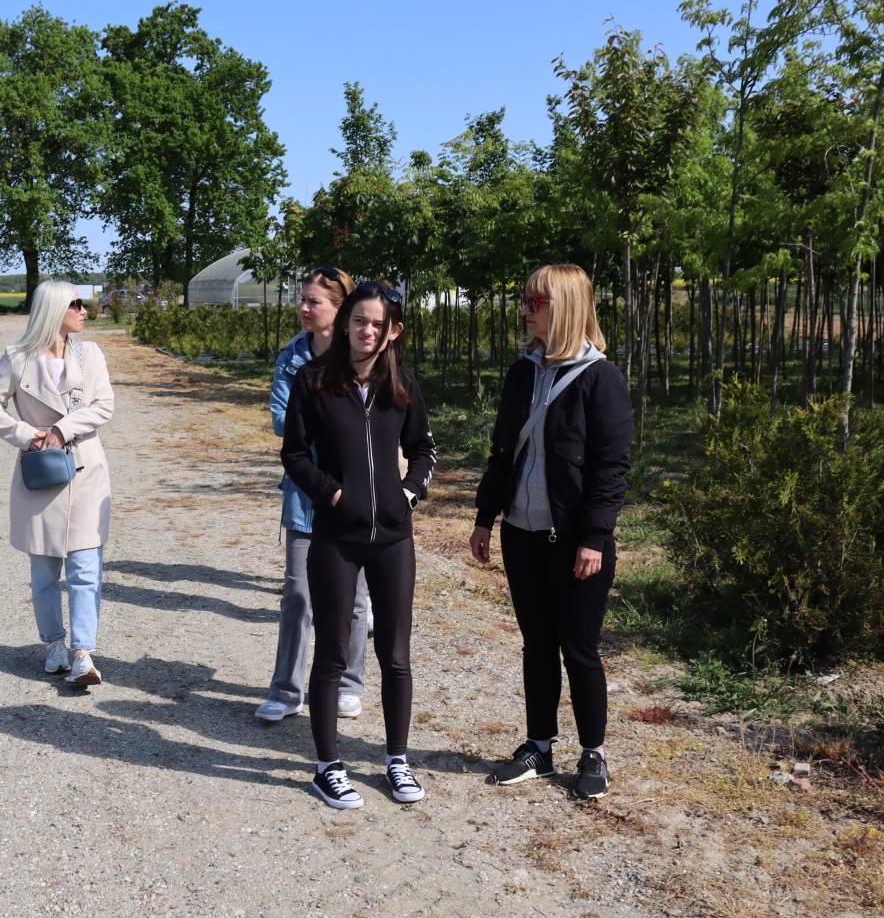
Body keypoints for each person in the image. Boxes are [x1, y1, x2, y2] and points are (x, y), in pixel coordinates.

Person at [468, 263, 631, 800]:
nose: (525, 309)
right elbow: (502, 452)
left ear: (564, 308)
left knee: (579, 650)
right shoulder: (523, 373)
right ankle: (539, 747)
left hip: (577, 542)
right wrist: (485, 517)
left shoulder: (602, 380)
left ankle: (594, 753)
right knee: (536, 645)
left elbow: (611, 470)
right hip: (522, 533)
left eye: (534, 302)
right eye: (525, 300)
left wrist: (594, 537)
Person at [281, 280, 437, 809]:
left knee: (395, 654)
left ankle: (397, 760)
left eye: (378, 323)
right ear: (346, 322)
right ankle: (327, 767)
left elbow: (423, 449)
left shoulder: (403, 385)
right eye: (359, 320)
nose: (367, 331)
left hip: (393, 538)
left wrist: (408, 493)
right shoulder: (314, 381)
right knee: (331, 654)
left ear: (393, 331)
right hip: (337, 537)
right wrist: (331, 494)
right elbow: (294, 454)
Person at [0, 280, 115, 686]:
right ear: (55, 310)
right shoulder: (16, 358)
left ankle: (83, 653)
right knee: (44, 572)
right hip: (40, 474)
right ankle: (54, 644)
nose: (84, 310)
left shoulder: (91, 355)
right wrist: (25, 434)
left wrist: (62, 428)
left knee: (86, 569)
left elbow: (104, 405)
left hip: (85, 471)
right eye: (76, 304)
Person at [255, 267, 373, 724]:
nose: (303, 308)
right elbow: (281, 420)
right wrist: (331, 424)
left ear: (339, 309)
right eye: (302, 299)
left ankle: (348, 683)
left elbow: (368, 423)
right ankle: (286, 690)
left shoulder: (361, 356)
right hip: (305, 494)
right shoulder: (292, 356)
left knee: (354, 601)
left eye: (313, 301)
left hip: (355, 493)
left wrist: (315, 422)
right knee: (298, 596)